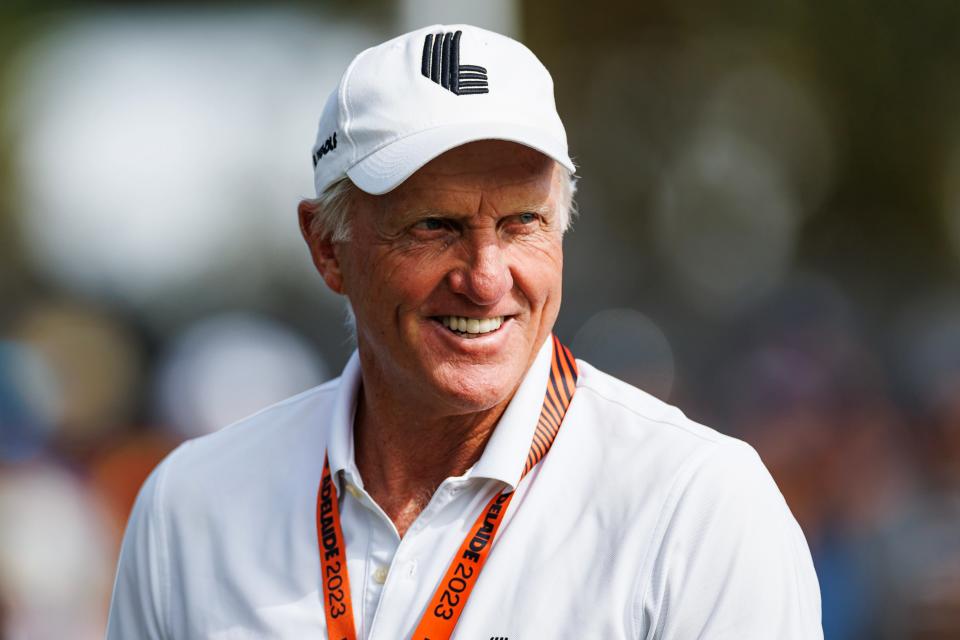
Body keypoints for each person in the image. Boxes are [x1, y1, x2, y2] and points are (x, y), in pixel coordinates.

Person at [107, 24, 822, 639]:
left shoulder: (695, 507)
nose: (485, 278)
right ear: (329, 248)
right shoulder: (192, 507)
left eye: (522, 223)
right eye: (434, 226)